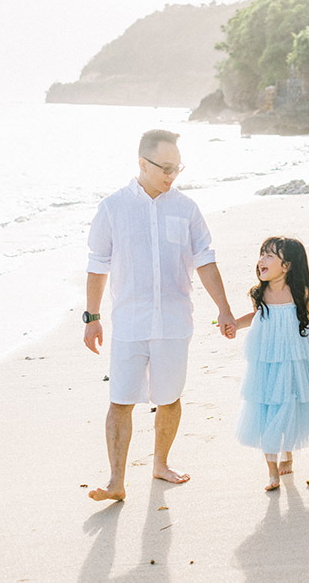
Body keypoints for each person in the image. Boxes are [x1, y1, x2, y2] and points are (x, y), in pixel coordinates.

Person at [83, 129, 236, 502]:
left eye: (177, 168)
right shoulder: (113, 207)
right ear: (142, 163)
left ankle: (160, 464)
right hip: (129, 322)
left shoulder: (185, 208)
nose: (172, 175)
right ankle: (116, 481)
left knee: (169, 398)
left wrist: (224, 308)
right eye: (165, 167)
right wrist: (91, 317)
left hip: (174, 321)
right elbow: (97, 264)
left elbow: (205, 259)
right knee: (120, 400)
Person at [226, 236, 309, 491]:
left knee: (288, 403)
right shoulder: (259, 293)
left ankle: (287, 453)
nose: (261, 260)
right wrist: (235, 324)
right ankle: (272, 470)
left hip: (295, 358)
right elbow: (257, 316)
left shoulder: (301, 293)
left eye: (269, 256)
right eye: (261, 254)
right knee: (267, 408)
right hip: (266, 359)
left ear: (286, 265)